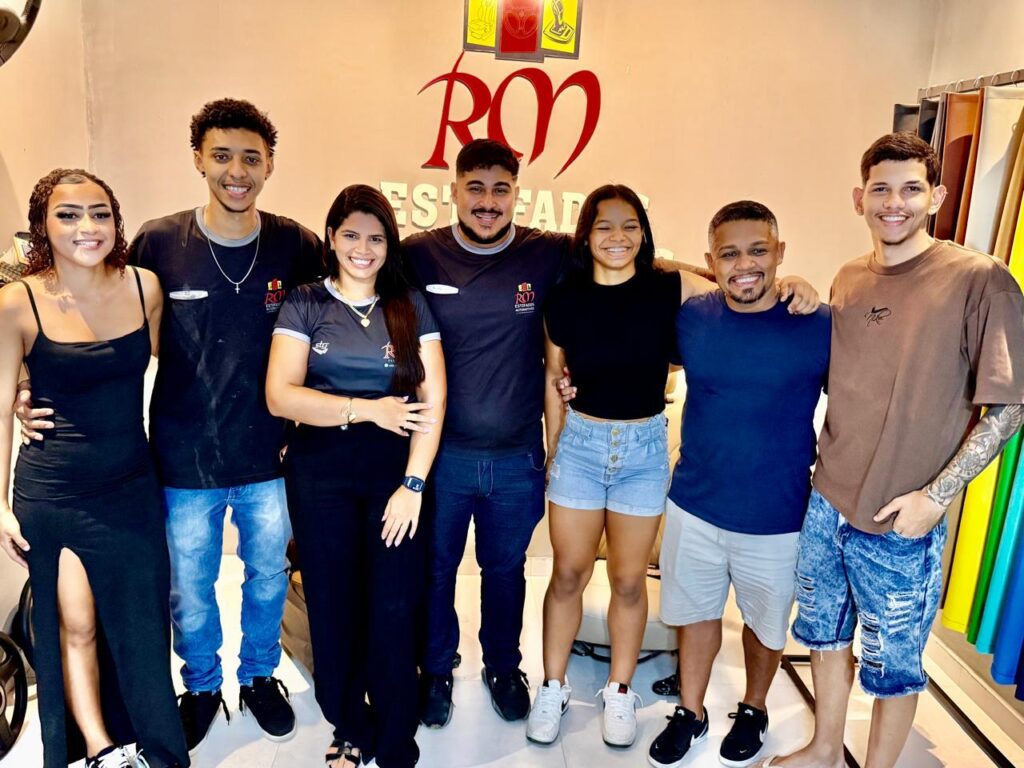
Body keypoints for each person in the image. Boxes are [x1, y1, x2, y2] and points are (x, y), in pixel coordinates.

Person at [17, 98, 324, 754]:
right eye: (222, 156)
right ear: (198, 160)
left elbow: (337, 317)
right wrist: (26, 383)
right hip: (182, 456)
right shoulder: (159, 243)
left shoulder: (296, 244)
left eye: (251, 158)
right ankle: (202, 684)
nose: (237, 171)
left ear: (270, 164)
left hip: (270, 453)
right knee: (191, 587)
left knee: (268, 577)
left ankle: (259, 674)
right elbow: (101, 322)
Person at [764, 132, 1024, 768]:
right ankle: (825, 749)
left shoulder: (980, 279)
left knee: (893, 665)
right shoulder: (850, 277)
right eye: (881, 189)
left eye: (911, 189)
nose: (894, 203)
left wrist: (936, 497)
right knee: (823, 634)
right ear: (860, 198)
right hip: (828, 499)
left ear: (937, 196)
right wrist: (796, 293)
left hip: (902, 516)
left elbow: (1011, 405)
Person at [533, 192, 821, 751]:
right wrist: (553, 450)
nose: (617, 236)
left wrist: (794, 283)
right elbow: (553, 376)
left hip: (643, 449)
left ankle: (620, 691)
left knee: (628, 579)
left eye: (630, 225)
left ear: (644, 233)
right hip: (581, 445)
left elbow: (732, 280)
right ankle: (553, 686)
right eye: (604, 226)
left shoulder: (669, 288)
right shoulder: (564, 298)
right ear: (586, 234)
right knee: (567, 573)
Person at [0, 169, 187, 768]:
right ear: (43, 226)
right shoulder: (18, 300)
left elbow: (169, 366)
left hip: (131, 485)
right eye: (69, 214)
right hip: (54, 492)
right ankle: (100, 748)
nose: (88, 226)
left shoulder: (144, 287)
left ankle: (158, 748)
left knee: (143, 628)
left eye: (100, 213)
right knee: (75, 624)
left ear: (116, 222)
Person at [266, 184, 446, 768]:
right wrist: (367, 410)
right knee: (333, 602)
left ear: (389, 244)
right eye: (351, 235)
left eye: (376, 238)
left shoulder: (409, 304)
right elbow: (280, 395)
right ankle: (348, 722)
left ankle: (395, 735)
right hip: (320, 474)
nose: (363, 249)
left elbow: (433, 401)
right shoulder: (306, 302)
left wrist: (413, 486)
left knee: (393, 606)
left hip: (396, 476)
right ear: (332, 237)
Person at [646, 201, 830, 768]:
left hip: (778, 515)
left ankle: (754, 707)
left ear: (780, 253)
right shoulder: (693, 318)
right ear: (710, 261)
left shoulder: (819, 324)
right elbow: (646, 267)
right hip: (695, 505)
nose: (744, 265)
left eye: (758, 251)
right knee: (696, 616)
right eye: (728, 254)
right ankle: (691, 711)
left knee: (765, 627)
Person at [404, 139, 573, 727]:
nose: (487, 201)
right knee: (435, 570)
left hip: (516, 458)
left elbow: (633, 262)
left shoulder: (545, 253)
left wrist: (731, 278)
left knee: (506, 572)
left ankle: (503, 666)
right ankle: (435, 669)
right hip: (441, 455)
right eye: (475, 188)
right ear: (453, 190)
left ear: (516, 194)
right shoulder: (418, 255)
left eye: (500, 189)